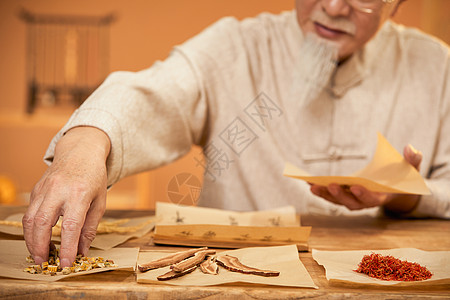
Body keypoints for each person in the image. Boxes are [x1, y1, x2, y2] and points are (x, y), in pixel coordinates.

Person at [23, 0, 449, 268]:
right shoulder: (237, 45)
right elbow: (152, 92)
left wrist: (404, 195)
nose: (334, 6)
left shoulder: (437, 66)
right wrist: (83, 147)